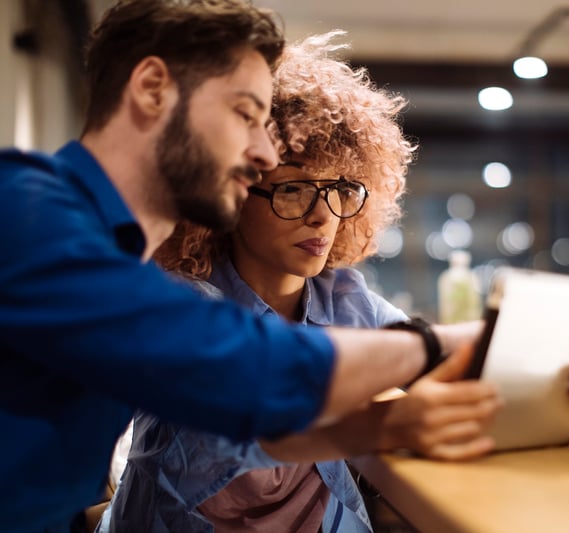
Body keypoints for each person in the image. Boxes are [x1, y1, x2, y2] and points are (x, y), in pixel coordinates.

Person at [0, 2, 490, 531]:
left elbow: (238, 412)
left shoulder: (102, 247)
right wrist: (437, 344)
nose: (262, 152)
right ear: (151, 87)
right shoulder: (24, 211)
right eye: (244, 114)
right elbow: (240, 368)